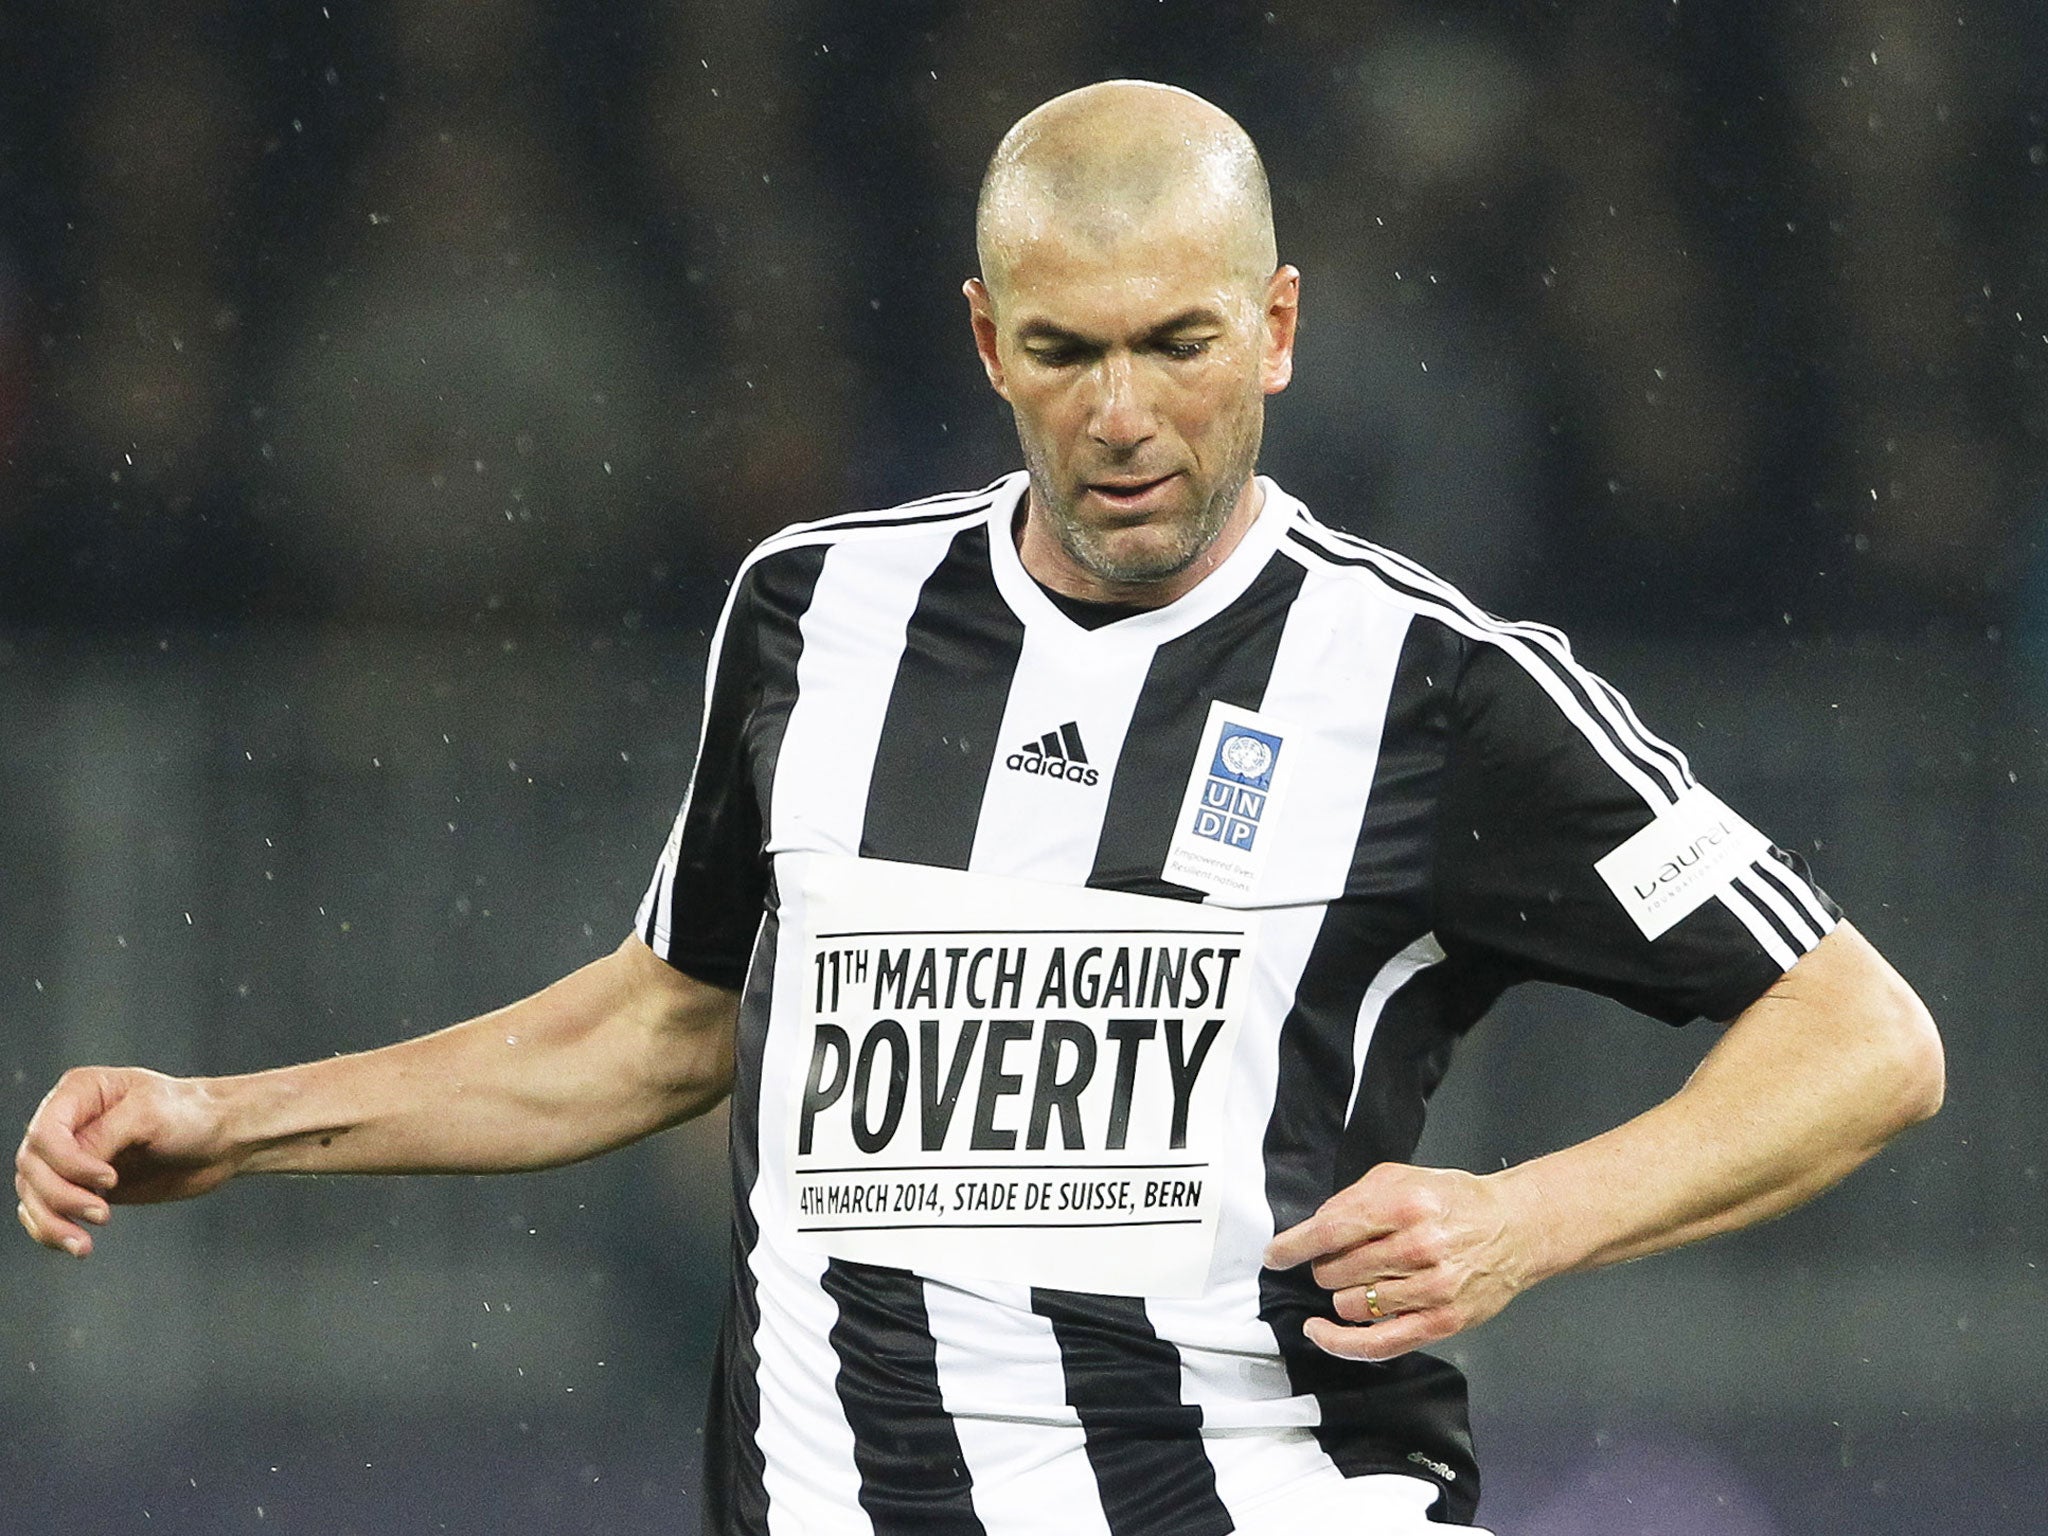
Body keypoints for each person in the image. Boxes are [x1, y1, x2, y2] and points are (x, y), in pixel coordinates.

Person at [15, 81, 1943, 1535]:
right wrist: (231, 1122)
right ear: (982, 340)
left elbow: (1864, 1037)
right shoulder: (813, 613)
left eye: (1180, 344)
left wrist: (1533, 1217)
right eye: (1066, 348)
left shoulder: (1431, 683)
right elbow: (667, 1025)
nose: (1124, 412)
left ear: (1275, 328)